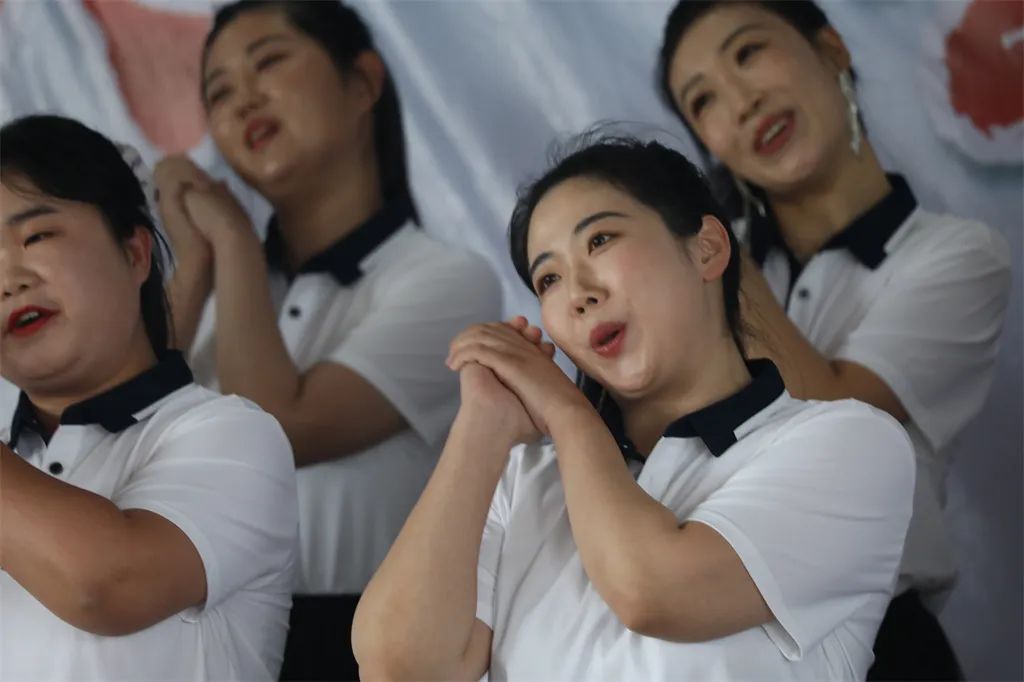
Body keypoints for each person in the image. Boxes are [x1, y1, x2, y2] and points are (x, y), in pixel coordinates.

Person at [352, 136, 915, 680]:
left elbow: (654, 592)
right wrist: (481, 426)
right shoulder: (525, 476)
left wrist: (567, 412)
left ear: (707, 248)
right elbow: (396, 668)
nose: (578, 292)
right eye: (548, 278)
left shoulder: (851, 443)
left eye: (599, 241)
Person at [657, 2, 1013, 678]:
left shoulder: (956, 254)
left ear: (831, 49)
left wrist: (718, 261)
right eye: (703, 100)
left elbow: (845, 422)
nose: (741, 101)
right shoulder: (701, 269)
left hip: (881, 645)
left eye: (748, 53)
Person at [155, 1, 502, 678]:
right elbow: (117, 433)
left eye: (269, 62)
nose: (243, 99)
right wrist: (193, 266)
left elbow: (277, 428)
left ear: (363, 81)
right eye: (218, 92)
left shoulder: (449, 280)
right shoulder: (223, 291)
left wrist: (234, 242)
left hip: (362, 651)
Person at [0, 114, 298, 681]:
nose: (8, 279)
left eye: (36, 236)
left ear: (136, 253)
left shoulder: (232, 434)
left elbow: (105, 585)